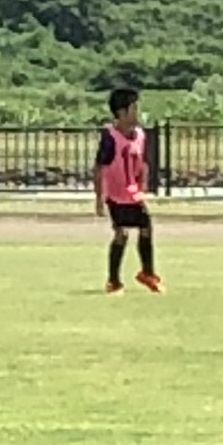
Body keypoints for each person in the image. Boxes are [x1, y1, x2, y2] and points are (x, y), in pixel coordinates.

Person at [94, 83, 159, 292]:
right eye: (134, 109)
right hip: (115, 195)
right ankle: (113, 281)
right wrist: (99, 198)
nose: (137, 113)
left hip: (133, 194)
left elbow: (142, 162)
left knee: (146, 228)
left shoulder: (139, 134)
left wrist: (143, 184)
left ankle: (147, 273)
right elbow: (100, 167)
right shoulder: (110, 137)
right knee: (121, 234)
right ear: (122, 112)